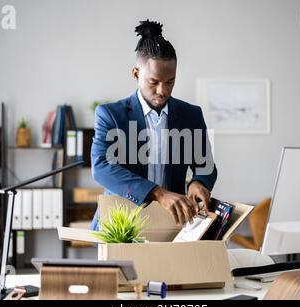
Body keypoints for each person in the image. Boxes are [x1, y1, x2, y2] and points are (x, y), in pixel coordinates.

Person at [90, 20, 217, 230]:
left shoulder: (191, 115)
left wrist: (199, 182)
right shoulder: (110, 115)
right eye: (154, 81)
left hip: (170, 225)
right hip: (119, 225)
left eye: (170, 82)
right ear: (136, 73)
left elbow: (205, 165)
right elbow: (102, 168)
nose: (163, 90)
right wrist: (159, 193)